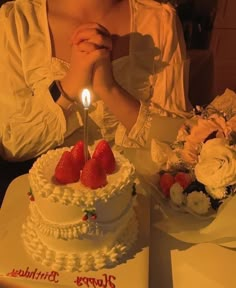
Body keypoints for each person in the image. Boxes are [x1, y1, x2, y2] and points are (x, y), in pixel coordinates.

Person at [0, 0, 192, 201]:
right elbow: (13, 144)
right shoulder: (16, 21)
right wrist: (67, 87)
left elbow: (179, 142)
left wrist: (109, 89)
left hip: (138, 203)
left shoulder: (160, 20)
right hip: (52, 208)